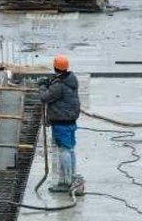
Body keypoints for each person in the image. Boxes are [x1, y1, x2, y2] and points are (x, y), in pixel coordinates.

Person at [38, 55, 81, 193]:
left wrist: (42, 86)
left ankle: (65, 182)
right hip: (70, 120)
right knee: (70, 149)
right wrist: (51, 82)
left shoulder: (59, 86)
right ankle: (71, 178)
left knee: (64, 151)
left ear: (55, 67)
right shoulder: (70, 80)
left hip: (61, 121)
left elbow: (45, 98)